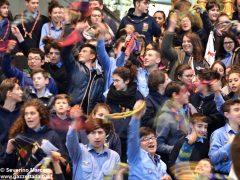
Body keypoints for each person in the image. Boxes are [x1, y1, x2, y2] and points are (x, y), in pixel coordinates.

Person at [5, 99, 63, 171]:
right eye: (26, 114)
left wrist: (48, 154)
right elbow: (9, 167)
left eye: (32, 113)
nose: (28, 116)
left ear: (41, 116)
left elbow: (62, 163)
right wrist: (9, 152)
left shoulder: (52, 135)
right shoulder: (19, 137)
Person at [61, 24, 104, 114]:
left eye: (84, 51)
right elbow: (65, 51)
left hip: (87, 118)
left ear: (92, 56)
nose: (80, 53)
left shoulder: (100, 77)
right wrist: (76, 32)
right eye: (80, 51)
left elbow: (99, 100)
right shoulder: (75, 66)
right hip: (71, 113)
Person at [127, 100, 171, 180]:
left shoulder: (162, 164)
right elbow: (132, 138)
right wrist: (136, 117)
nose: (150, 141)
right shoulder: (136, 157)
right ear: (138, 144)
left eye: (152, 138)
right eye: (145, 139)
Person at [161, 14, 208, 79]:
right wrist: (171, 28)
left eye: (189, 41)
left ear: (195, 43)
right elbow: (165, 49)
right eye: (184, 42)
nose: (185, 44)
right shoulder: (177, 54)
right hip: (177, 87)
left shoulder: (202, 61)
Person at [155, 81, 191, 164]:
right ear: (175, 95)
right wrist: (177, 148)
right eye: (185, 92)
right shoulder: (165, 117)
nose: (188, 94)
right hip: (175, 162)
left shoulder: (187, 109)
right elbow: (159, 145)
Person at [190, 70, 226, 137]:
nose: (193, 82)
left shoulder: (218, 101)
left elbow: (215, 121)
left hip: (210, 139)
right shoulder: (194, 96)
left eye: (197, 80)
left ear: (205, 84)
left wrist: (196, 115)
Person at [209, 99, 240, 174]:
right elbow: (213, 158)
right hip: (225, 175)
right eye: (236, 110)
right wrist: (230, 144)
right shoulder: (218, 133)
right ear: (227, 114)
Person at [0, 78, 23, 159]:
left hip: (21, 158)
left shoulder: (23, 113)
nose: (21, 92)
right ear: (9, 93)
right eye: (18, 89)